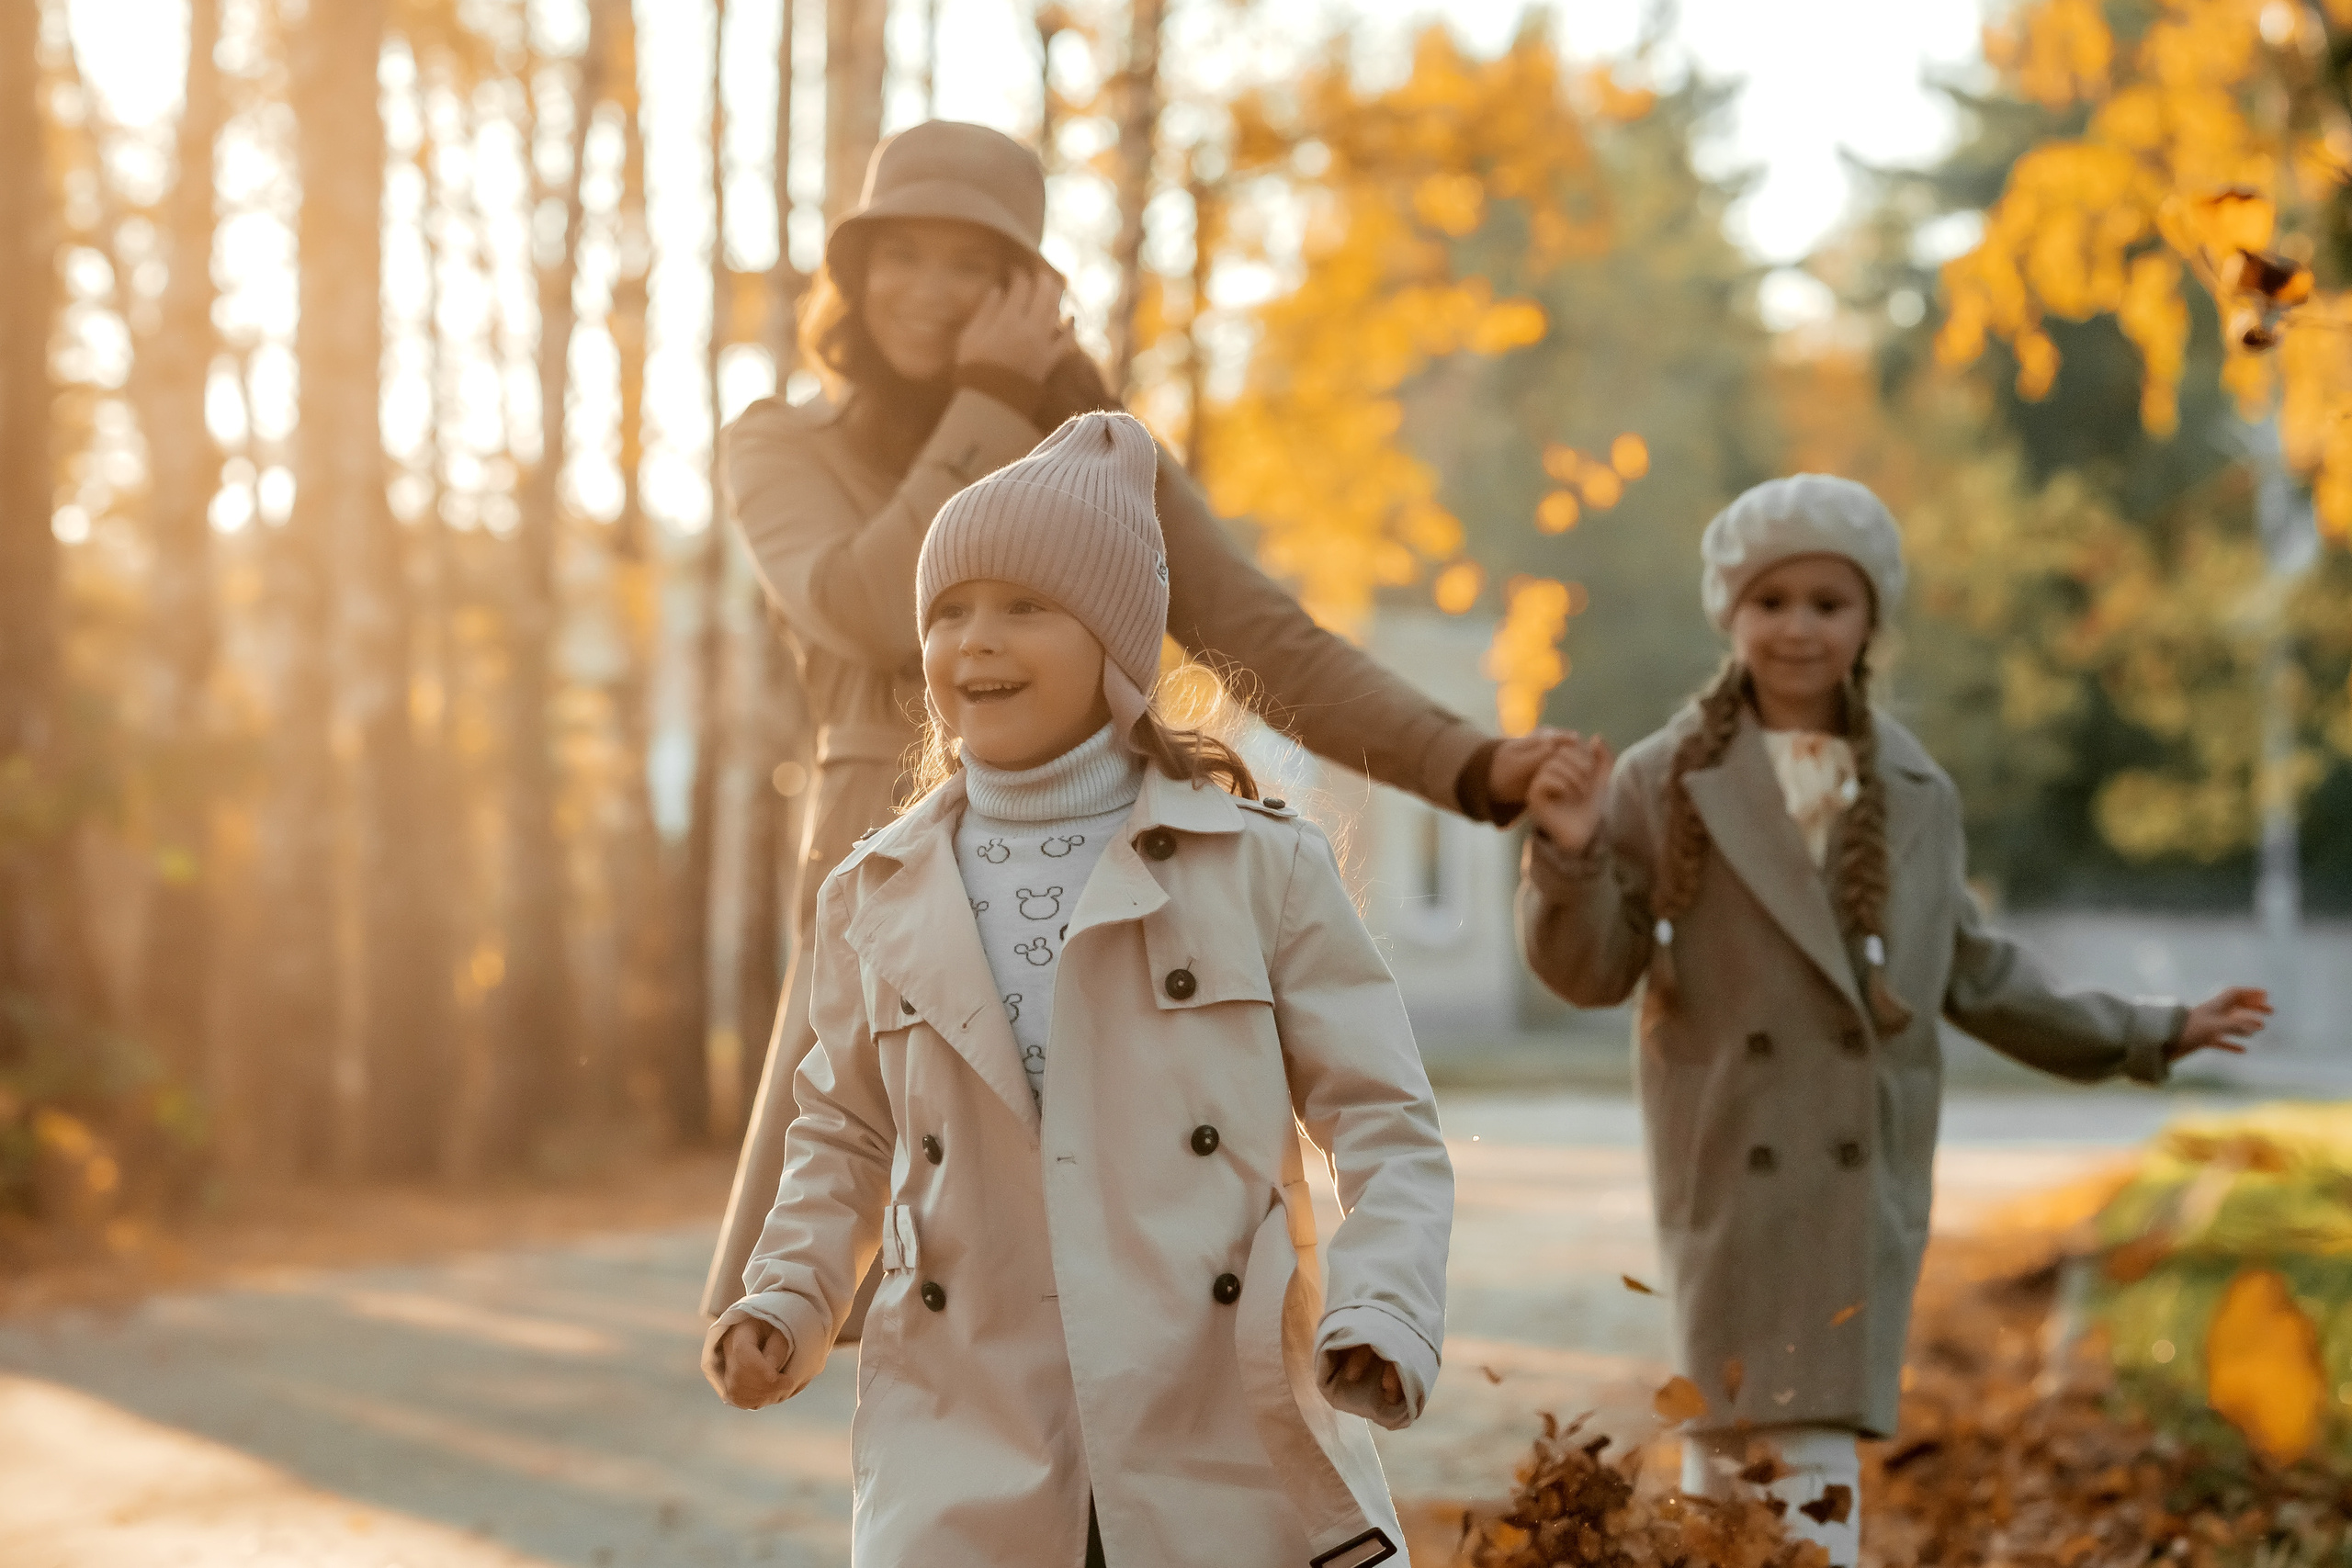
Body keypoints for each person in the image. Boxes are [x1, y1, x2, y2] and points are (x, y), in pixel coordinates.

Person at [704, 118, 1557, 1319]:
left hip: (1098, 872)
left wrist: (1477, 764)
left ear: (1027, 287)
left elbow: (1264, 640)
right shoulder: (778, 442)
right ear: (853, 273)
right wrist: (998, 391)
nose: (930, 292)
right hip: (893, 878)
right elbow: (866, 607)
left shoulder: (1096, 457)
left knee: (1105, 1274)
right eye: (900, 255)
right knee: (892, 1280)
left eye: (972, 264)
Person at [703, 411, 1452, 1568]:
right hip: (973, 1424)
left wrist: (1381, 1306)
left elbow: (1386, 1122)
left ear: (1113, 640)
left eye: (1023, 606)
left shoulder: (1259, 866)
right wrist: (785, 1299)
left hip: (1213, 1407)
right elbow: (843, 1132)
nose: (975, 641)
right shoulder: (877, 888)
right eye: (948, 610)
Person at [1511, 474, 2268, 1566]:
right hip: (1732, 1175)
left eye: (1829, 601)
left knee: (1812, 1482)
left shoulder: (1918, 795)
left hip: (1852, 1191)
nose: (1799, 628)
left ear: (1869, 620)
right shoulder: (1661, 777)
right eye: (1772, 602)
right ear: (1731, 612)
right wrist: (1573, 851)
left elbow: (1974, 972)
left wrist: (2150, 1029)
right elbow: (1589, 971)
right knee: (1725, 1472)